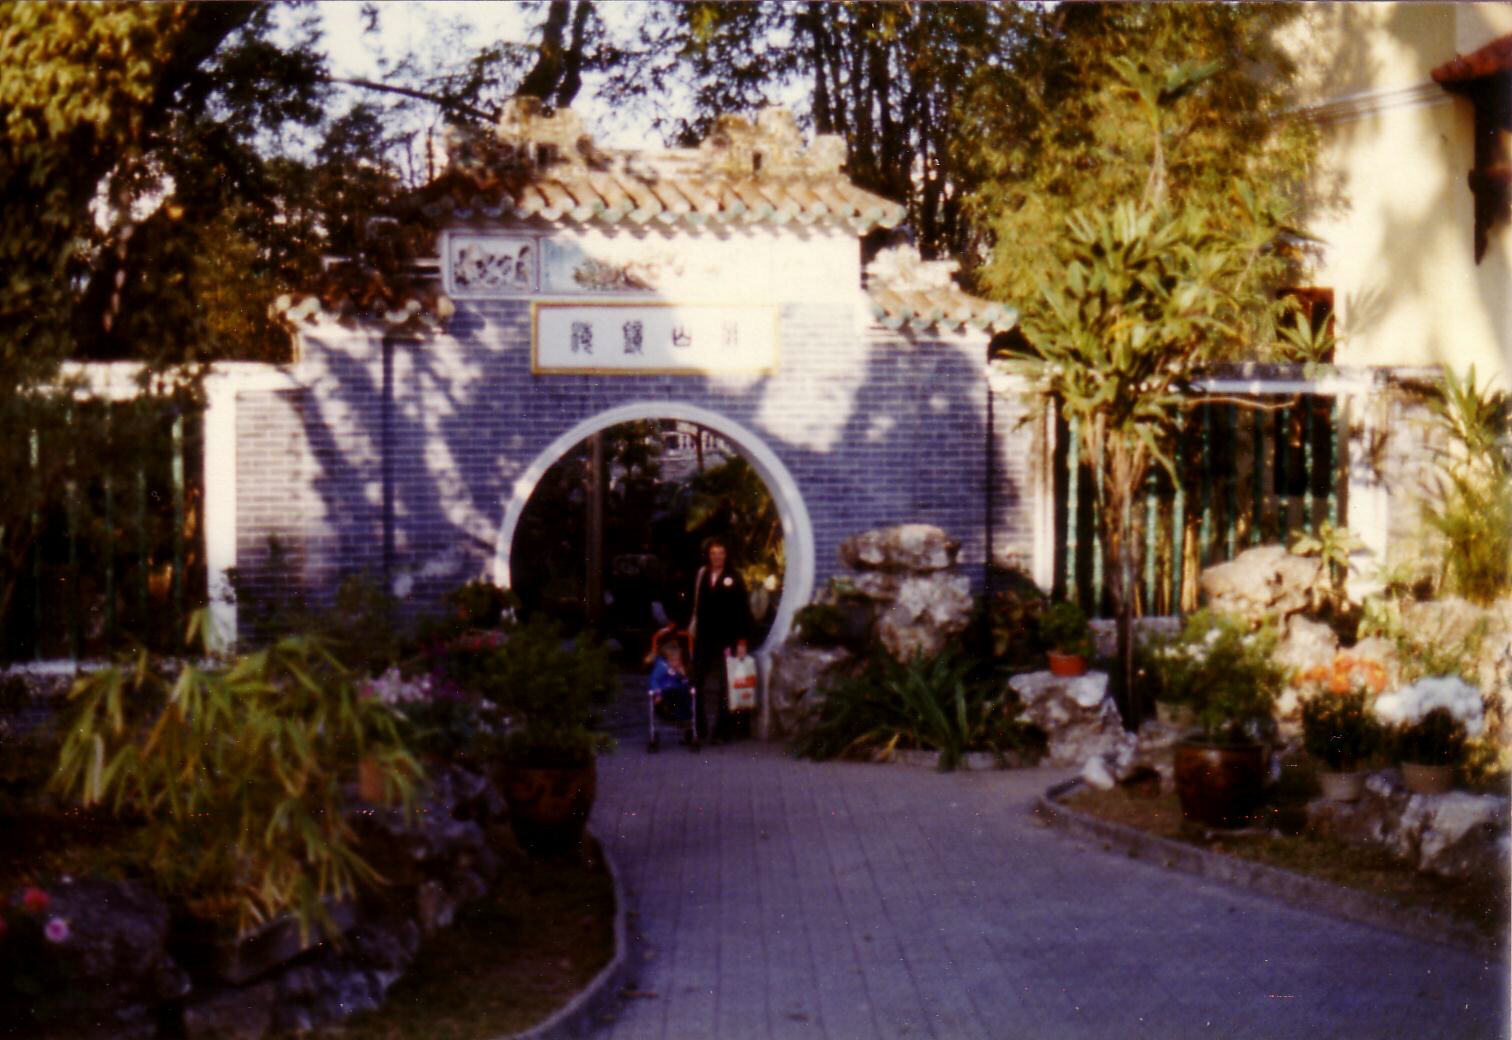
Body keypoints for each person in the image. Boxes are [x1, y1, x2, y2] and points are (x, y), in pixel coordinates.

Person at [690, 537, 752, 743]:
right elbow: (697, 607)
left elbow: (743, 611)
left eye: (721, 552)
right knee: (696, 681)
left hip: (727, 638)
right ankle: (699, 727)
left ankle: (722, 731)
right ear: (708, 555)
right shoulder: (703, 575)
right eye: (713, 553)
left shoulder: (734, 578)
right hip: (705, 638)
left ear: (726, 555)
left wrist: (742, 642)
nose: (717, 557)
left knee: (725, 685)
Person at [648, 635, 694, 740]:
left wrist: (683, 675)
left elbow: (684, 683)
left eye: (678, 660)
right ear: (667, 660)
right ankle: (683, 719)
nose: (676, 663)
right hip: (665, 692)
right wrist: (658, 693)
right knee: (676, 693)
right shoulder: (662, 667)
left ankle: (685, 720)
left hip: (677, 693)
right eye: (674, 660)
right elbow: (653, 680)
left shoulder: (678, 669)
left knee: (685, 693)